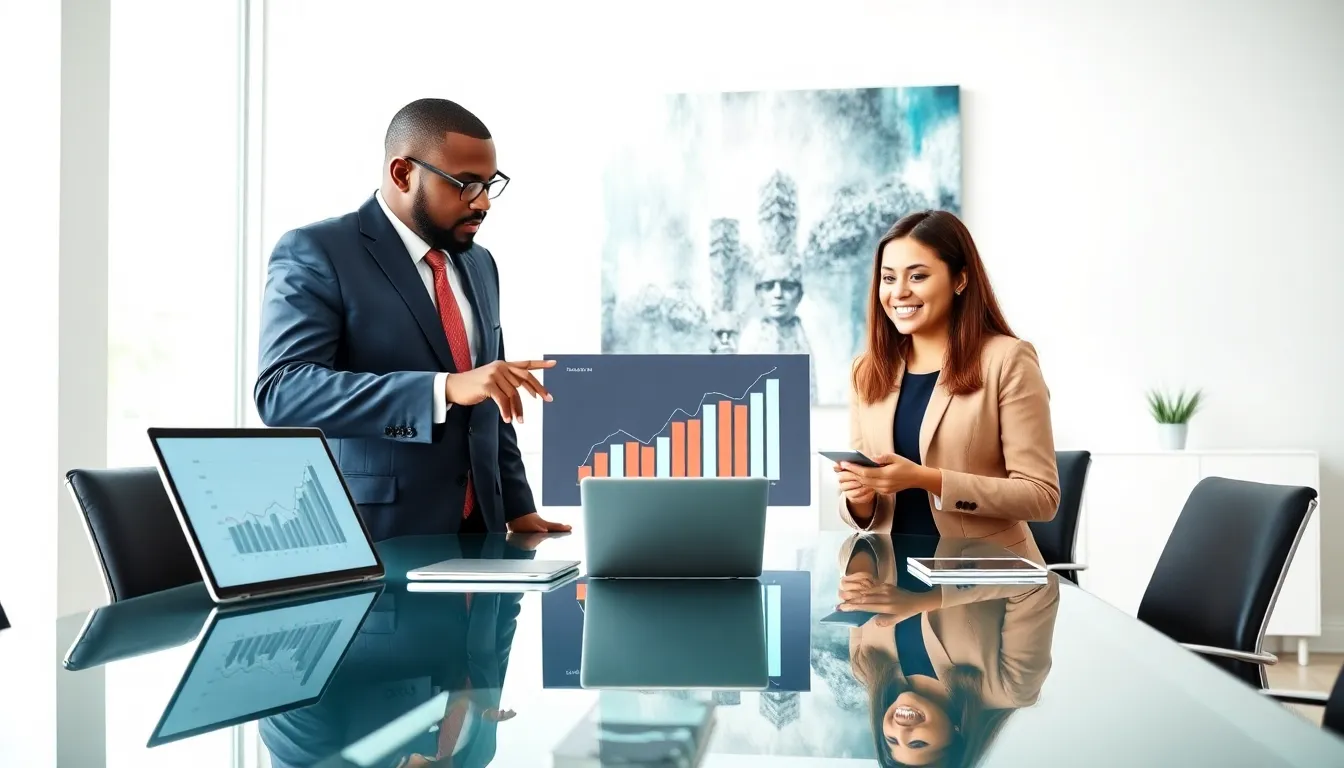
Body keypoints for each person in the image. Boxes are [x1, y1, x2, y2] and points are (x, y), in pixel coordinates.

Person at [254, 98, 570, 540]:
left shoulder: (481, 264)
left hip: (484, 538)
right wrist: (441, 388)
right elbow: (283, 392)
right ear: (403, 174)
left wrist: (518, 507)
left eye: (489, 184)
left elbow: (491, 399)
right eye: (465, 184)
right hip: (380, 539)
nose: (483, 203)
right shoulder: (318, 251)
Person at [834, 210, 1059, 551]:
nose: (899, 293)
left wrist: (927, 479)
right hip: (891, 582)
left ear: (960, 280)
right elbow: (863, 511)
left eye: (918, 276)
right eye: (889, 278)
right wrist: (860, 498)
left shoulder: (1007, 360)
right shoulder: (866, 370)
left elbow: (1041, 497)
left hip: (981, 582)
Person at [836, 534, 1059, 767]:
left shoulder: (866, 665)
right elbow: (1037, 583)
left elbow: (859, 542)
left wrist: (858, 570)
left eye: (891, 740)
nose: (901, 732)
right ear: (957, 735)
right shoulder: (1011, 687)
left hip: (895, 504)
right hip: (976, 511)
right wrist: (929, 600)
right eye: (918, 744)